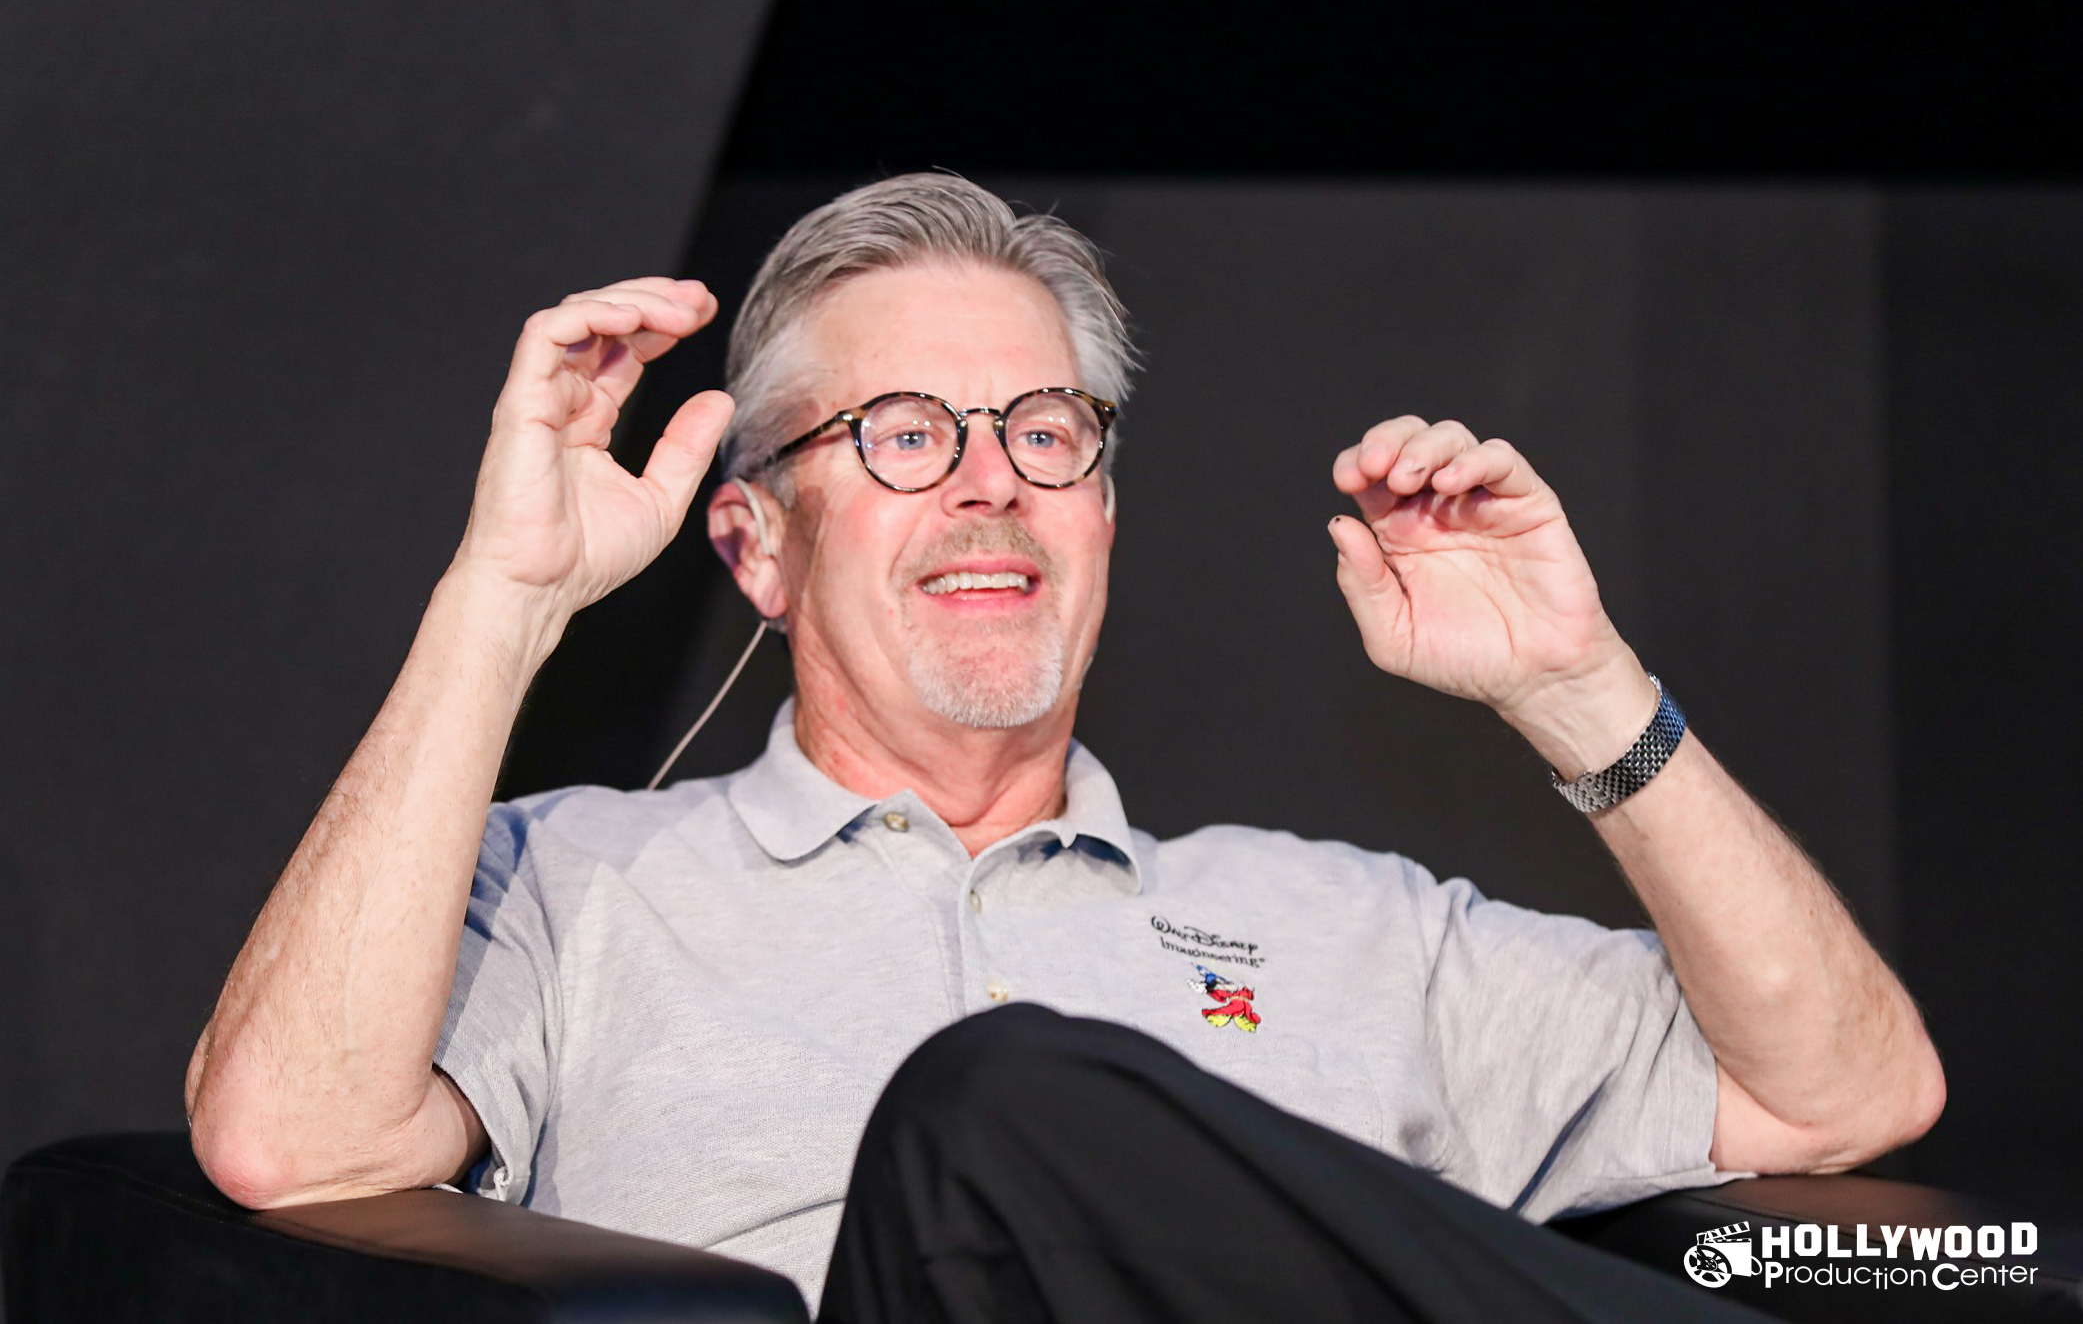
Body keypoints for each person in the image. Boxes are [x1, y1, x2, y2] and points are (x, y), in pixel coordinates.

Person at [184, 173, 1944, 1322]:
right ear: (758, 544)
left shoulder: (1359, 930)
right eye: (902, 433)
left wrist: (1581, 687)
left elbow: (1847, 1093)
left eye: (1046, 428)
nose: (990, 481)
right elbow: (291, 1140)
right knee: (995, 1110)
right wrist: (502, 599)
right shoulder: (569, 888)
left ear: (1101, 512)